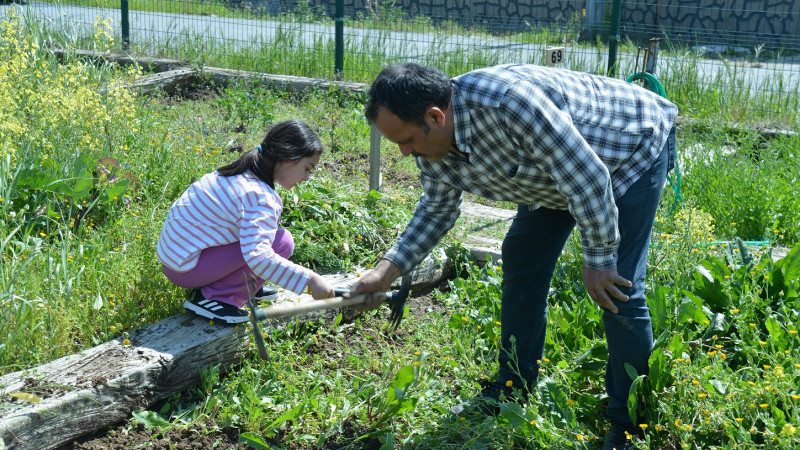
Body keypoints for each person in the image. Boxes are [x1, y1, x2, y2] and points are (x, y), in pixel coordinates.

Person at [350, 63, 677, 449]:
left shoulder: (509, 105)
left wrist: (599, 260)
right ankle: (512, 386)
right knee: (522, 259)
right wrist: (384, 274)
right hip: (558, 174)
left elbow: (589, 180)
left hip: (628, 149)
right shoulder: (431, 143)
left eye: (405, 140)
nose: (405, 153)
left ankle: (629, 424)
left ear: (435, 117)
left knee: (617, 285)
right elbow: (436, 211)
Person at [157, 119, 335, 324]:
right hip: (187, 268)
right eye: (307, 168)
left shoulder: (241, 173)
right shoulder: (260, 196)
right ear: (287, 158)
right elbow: (258, 256)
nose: (306, 178)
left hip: (177, 258)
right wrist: (311, 280)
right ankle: (216, 297)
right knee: (282, 242)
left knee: (269, 238)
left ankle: (243, 285)